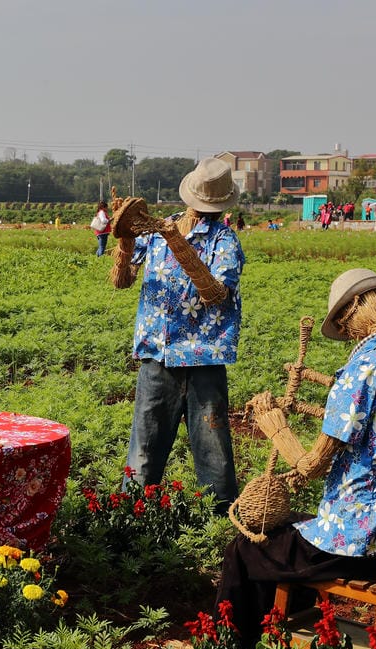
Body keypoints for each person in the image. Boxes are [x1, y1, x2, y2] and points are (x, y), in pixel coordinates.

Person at [216, 269, 376, 646]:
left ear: (354, 308)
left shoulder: (363, 370)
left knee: (246, 549)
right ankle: (283, 638)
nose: (344, 329)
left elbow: (312, 465)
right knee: (290, 536)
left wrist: (275, 427)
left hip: (363, 542)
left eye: (342, 319)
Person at [110, 157, 245, 514]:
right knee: (144, 448)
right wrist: (124, 240)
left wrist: (177, 243)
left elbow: (215, 293)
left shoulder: (224, 241)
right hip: (157, 355)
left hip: (204, 358)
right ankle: (132, 520)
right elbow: (122, 280)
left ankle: (219, 524)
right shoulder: (157, 232)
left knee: (213, 451)